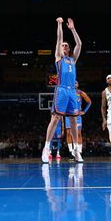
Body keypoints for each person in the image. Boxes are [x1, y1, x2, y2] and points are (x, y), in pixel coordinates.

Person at [42, 17, 83, 163]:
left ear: (69, 48)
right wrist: (59, 24)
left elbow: (79, 43)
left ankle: (76, 151)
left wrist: (72, 29)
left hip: (72, 91)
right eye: (63, 45)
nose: (64, 46)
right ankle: (46, 148)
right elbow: (59, 39)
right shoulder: (58, 57)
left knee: (73, 120)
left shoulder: (73, 59)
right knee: (56, 118)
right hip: (61, 90)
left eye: (66, 45)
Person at [64, 81, 92, 160]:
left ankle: (79, 152)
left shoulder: (80, 93)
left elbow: (89, 102)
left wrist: (84, 111)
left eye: (75, 83)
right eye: (72, 83)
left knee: (78, 134)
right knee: (69, 133)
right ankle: (71, 152)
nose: (74, 84)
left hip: (77, 116)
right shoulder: (67, 93)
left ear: (78, 85)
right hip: (68, 115)